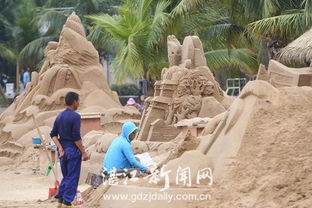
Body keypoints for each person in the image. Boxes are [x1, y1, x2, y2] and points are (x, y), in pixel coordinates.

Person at [50, 92, 89, 208]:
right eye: (78, 101)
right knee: (72, 177)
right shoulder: (75, 116)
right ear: (74, 102)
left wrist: (60, 147)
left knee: (67, 177)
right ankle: (67, 202)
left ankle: (60, 201)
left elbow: (53, 134)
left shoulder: (59, 116)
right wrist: (83, 151)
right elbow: (76, 137)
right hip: (73, 150)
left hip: (62, 152)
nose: (79, 103)